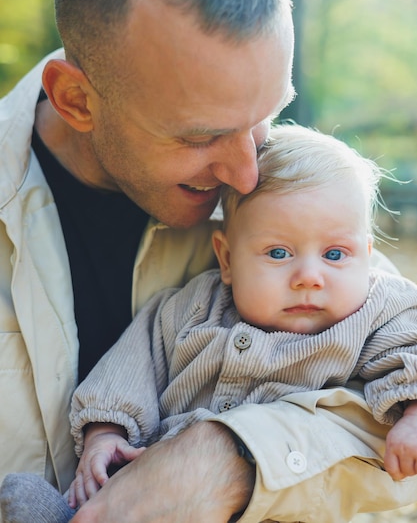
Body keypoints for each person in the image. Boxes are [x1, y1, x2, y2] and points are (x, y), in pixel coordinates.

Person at [0, 0, 415, 521]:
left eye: (267, 115)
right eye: (200, 137)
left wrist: (231, 458)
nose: (245, 173)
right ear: (77, 100)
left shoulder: (284, 198)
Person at [2, 123, 417, 523]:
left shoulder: (376, 310)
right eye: (277, 253)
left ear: (365, 253)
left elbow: (410, 348)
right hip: (148, 491)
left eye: (335, 254)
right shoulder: (189, 308)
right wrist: (105, 436)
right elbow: (129, 369)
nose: (309, 276)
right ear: (228, 258)